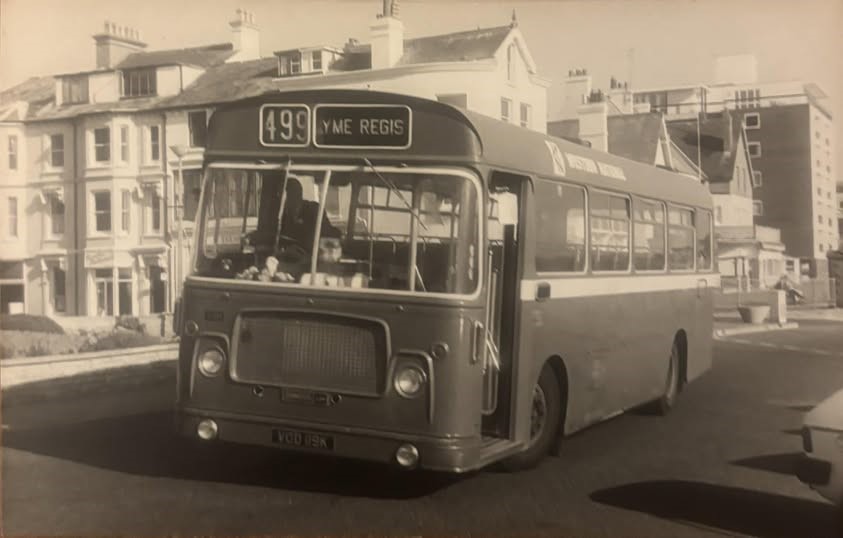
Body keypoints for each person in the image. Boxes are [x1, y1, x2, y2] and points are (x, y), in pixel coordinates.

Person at [279, 177, 341, 249]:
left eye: (283, 195)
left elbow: (328, 234)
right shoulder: (282, 215)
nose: (281, 199)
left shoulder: (313, 210)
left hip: (312, 254)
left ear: (297, 195)